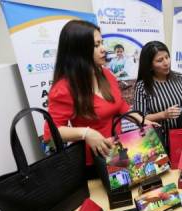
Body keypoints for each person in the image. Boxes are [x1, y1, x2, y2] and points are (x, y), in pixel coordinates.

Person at [43, 20, 154, 178]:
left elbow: (119, 103)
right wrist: (86, 133)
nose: (103, 49)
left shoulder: (105, 74)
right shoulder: (64, 89)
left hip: (119, 153)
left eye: (102, 43)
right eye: (96, 45)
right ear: (78, 50)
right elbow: (51, 133)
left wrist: (139, 118)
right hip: (94, 164)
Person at [133, 41, 182, 147]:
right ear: (150, 65)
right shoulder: (142, 86)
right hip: (158, 143)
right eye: (160, 60)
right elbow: (140, 118)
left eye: (167, 57)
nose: (166, 62)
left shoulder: (179, 77)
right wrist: (163, 115)